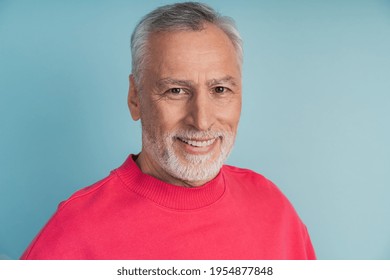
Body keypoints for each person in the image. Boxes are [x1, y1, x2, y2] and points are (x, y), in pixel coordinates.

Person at [21, 2, 316, 260]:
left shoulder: (274, 210)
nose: (201, 121)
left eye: (220, 89)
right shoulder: (75, 229)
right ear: (135, 98)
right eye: (176, 90)